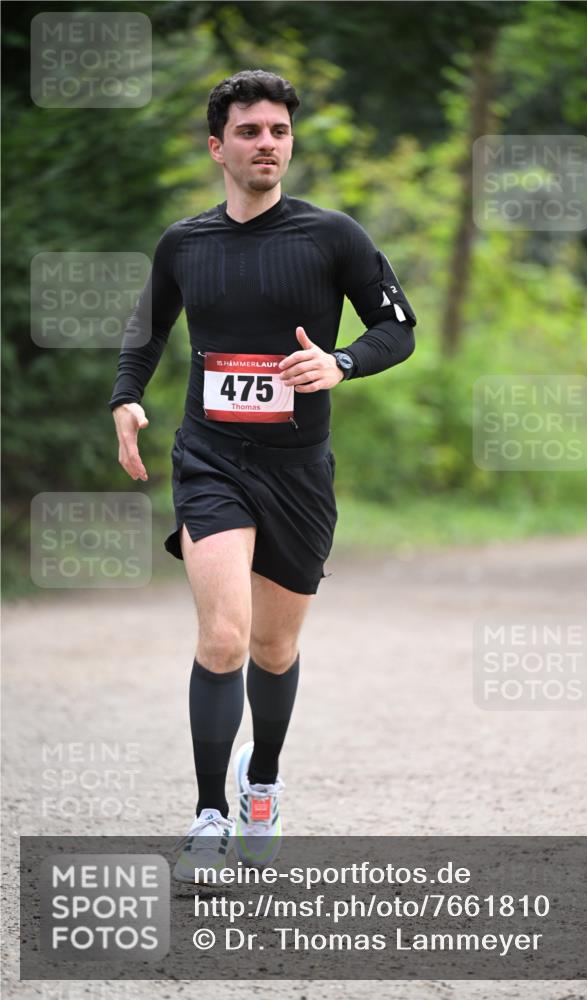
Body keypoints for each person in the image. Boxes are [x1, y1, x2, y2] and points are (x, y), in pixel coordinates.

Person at [109, 69, 417, 878]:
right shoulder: (184, 243)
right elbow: (146, 331)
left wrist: (342, 362)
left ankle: (263, 780)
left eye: (278, 131)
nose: (266, 145)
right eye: (249, 132)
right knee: (222, 637)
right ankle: (208, 813)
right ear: (218, 146)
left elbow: (397, 327)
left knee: (275, 651)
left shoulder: (333, 238)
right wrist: (126, 400)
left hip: (298, 470)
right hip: (210, 458)